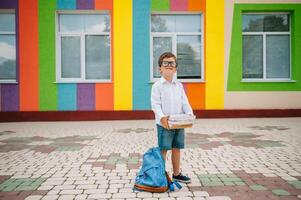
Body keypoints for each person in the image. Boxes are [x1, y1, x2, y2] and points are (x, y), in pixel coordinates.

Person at [151, 52, 193, 183]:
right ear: (160, 68)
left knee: (177, 148)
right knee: (164, 149)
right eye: (165, 63)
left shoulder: (179, 85)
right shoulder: (157, 86)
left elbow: (184, 102)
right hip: (164, 124)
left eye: (172, 63)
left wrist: (190, 114)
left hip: (179, 123)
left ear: (175, 68)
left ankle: (176, 173)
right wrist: (162, 117)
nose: (169, 65)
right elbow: (155, 104)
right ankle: (161, 174)